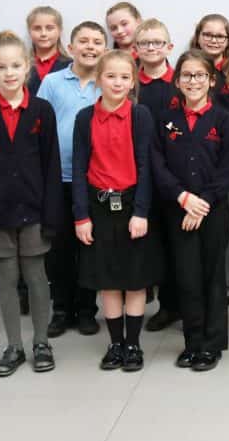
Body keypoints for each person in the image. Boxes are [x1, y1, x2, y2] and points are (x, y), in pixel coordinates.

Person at [0, 31, 62, 376]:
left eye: (16, 66)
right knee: (6, 277)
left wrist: (52, 214)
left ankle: (41, 342)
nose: (9, 73)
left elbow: (51, 165)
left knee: (36, 275)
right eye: (2, 67)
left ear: (28, 68)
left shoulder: (41, 110)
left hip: (34, 209)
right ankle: (14, 346)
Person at [151, 49, 229, 372]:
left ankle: (212, 344)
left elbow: (227, 169)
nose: (193, 81)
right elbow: (158, 166)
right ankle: (193, 342)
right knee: (186, 277)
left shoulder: (223, 119)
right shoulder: (165, 120)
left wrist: (201, 204)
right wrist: (183, 198)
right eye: (186, 75)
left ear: (211, 80)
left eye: (200, 75)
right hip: (178, 210)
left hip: (212, 211)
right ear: (177, 81)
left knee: (212, 276)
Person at [72, 50, 159, 372]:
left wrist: (141, 211)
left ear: (133, 81)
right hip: (99, 208)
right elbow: (79, 167)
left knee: (134, 279)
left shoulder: (140, 116)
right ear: (99, 79)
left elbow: (146, 166)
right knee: (108, 279)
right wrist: (81, 215)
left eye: (125, 77)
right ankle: (115, 343)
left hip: (132, 206)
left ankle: (133, 344)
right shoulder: (85, 118)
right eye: (110, 76)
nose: (117, 82)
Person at [37, 21, 107, 337]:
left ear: (105, 50)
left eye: (96, 42)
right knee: (59, 249)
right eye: (84, 41)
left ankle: (87, 310)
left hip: (93, 179)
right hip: (57, 178)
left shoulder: (107, 84)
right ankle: (61, 309)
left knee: (90, 248)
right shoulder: (52, 82)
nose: (90, 47)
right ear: (71, 47)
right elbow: (38, 126)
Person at [191, 13, 229, 303]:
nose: (214, 40)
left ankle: (224, 282)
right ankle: (199, 282)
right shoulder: (190, 68)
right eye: (208, 34)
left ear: (228, 40)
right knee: (196, 218)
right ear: (198, 36)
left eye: (220, 36)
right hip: (196, 158)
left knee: (224, 222)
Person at [134, 19, 181, 333]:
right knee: (152, 244)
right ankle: (156, 303)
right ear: (135, 49)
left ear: (169, 47)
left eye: (157, 42)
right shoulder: (128, 82)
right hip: (137, 174)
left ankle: (176, 305)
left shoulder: (181, 82)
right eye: (145, 43)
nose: (152, 47)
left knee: (177, 243)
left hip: (174, 175)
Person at [26, 6, 72, 95]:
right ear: (29, 31)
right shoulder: (21, 65)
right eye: (37, 28)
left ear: (60, 30)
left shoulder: (71, 66)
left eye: (49, 28)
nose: (43, 33)